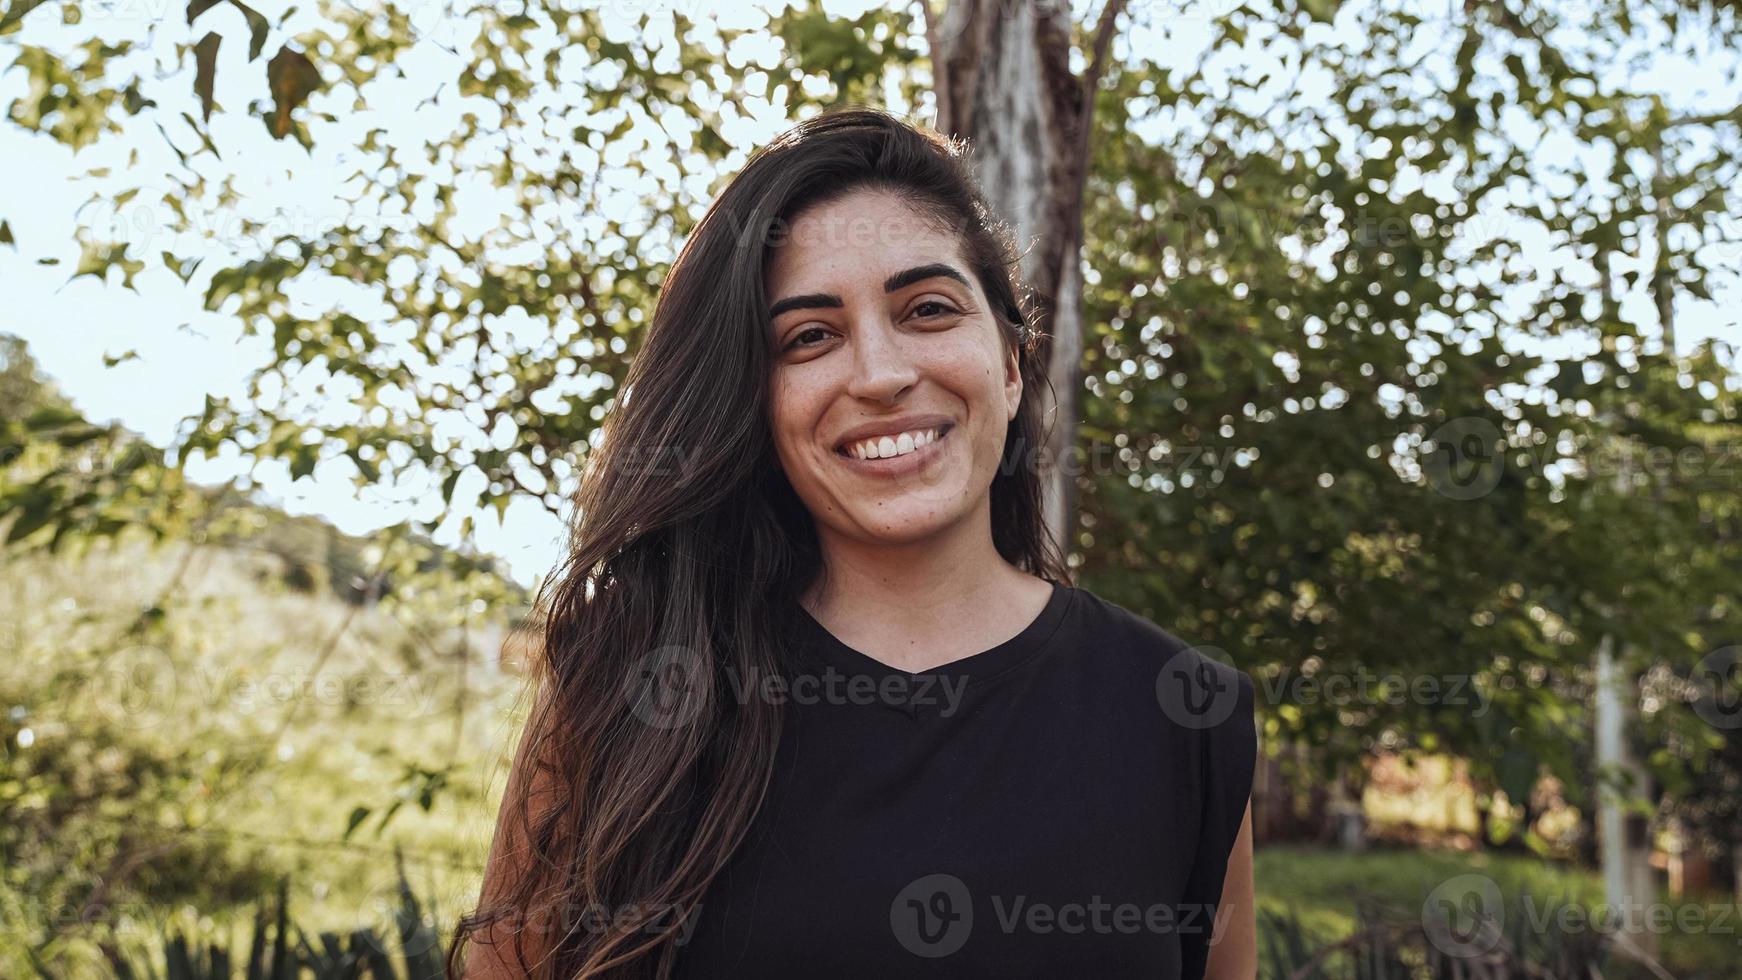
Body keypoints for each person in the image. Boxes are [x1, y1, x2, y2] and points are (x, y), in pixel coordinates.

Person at [451, 106, 1257, 980]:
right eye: (810, 336)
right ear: (755, 402)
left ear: (1013, 365)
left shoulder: (1184, 712)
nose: (879, 374)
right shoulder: (629, 677)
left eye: (928, 309)